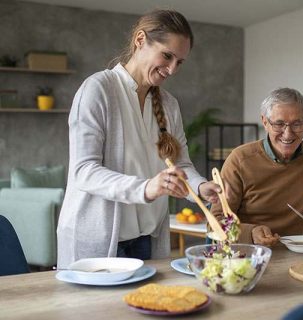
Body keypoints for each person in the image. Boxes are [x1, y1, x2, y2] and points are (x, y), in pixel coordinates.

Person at [57, 9, 220, 268]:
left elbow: (181, 166)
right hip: (99, 242)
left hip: (147, 240)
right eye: (167, 56)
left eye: (179, 62)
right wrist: (146, 188)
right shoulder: (98, 89)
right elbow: (84, 171)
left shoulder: (169, 104)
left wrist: (200, 188)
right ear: (140, 40)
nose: (172, 69)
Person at [211, 88, 303, 246]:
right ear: (265, 122)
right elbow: (214, 223)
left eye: (296, 124)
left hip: (293, 255)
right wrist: (251, 232)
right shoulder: (239, 160)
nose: (288, 134)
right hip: (244, 255)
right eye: (279, 124)